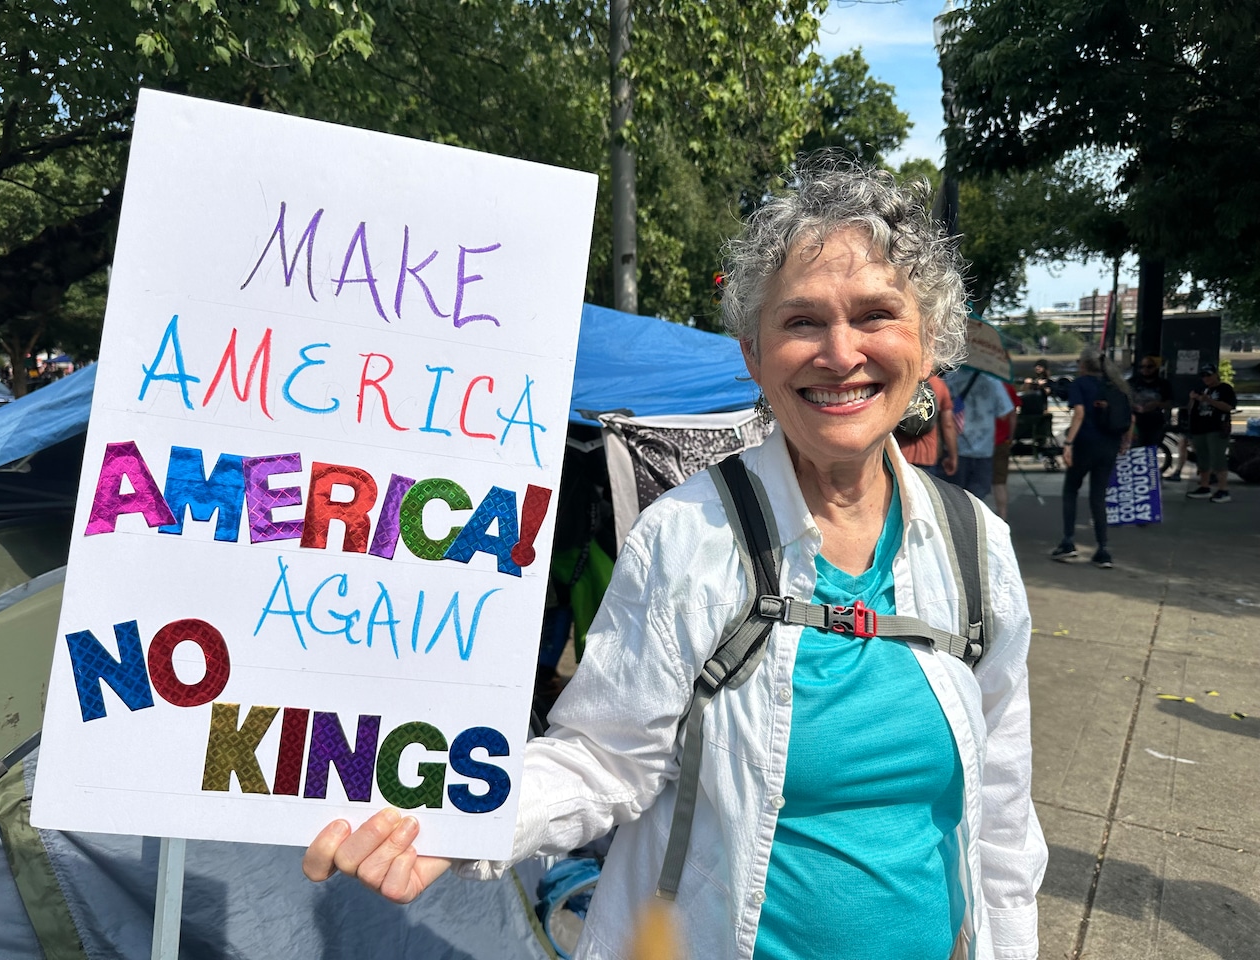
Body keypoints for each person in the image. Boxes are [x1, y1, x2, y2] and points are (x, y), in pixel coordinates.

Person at [302, 161, 1046, 960]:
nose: (840, 353)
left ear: (929, 341)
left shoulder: (976, 549)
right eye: (801, 322)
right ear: (753, 354)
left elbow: (1003, 824)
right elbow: (603, 759)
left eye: (875, 315)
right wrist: (448, 821)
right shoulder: (688, 538)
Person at [1051, 344, 1132, 568]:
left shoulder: (1080, 384)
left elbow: (1079, 414)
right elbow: (1129, 416)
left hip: (1085, 443)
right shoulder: (1116, 385)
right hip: (1109, 445)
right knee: (1098, 496)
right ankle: (1103, 548)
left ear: (1084, 365)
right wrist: (1125, 441)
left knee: (1071, 489)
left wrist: (1068, 443)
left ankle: (1068, 541)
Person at [943, 366, 1015, 501]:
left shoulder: (950, 378)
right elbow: (1004, 413)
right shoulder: (993, 380)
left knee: (954, 495)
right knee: (978, 496)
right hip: (983, 447)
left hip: (956, 446)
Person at [1185, 362, 1237, 503]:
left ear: (1215, 374)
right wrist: (1192, 399)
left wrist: (1209, 400)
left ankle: (1223, 489)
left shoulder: (1225, 388)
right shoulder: (1201, 389)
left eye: (1208, 375)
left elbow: (1228, 407)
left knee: (1217, 458)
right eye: (1203, 376)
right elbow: (1190, 410)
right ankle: (1204, 486)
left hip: (1217, 427)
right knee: (1202, 459)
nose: (1206, 378)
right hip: (1199, 428)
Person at [895, 373, 959, 477]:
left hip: (897, 452)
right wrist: (953, 456)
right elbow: (948, 425)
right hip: (927, 456)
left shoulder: (903, 379)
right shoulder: (939, 384)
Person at [1127, 355, 1172, 448]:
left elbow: (1169, 403)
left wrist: (1157, 404)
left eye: (1149, 366)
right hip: (1135, 423)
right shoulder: (1132, 382)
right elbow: (1123, 401)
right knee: (1136, 450)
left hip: (1155, 423)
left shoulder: (1163, 384)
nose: (1145, 369)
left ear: (1155, 367)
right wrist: (1134, 406)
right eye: (1142, 367)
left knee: (1151, 450)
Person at [991, 381, 1021, 521]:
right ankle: (1002, 516)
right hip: (1001, 440)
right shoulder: (1007, 387)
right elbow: (1012, 415)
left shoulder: (980, 383)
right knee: (1000, 482)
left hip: (976, 441)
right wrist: (1010, 437)